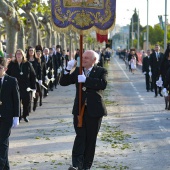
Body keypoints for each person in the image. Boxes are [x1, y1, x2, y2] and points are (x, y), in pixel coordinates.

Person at [60, 50, 108, 170]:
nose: (84, 59)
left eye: (87, 58)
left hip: (94, 111)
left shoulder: (101, 71)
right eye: (83, 57)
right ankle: (76, 164)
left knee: (91, 139)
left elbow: (103, 84)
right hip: (79, 110)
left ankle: (86, 166)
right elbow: (63, 82)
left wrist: (86, 80)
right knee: (80, 136)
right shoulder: (78, 70)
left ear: (94, 60)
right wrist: (67, 69)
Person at [0, 57, 20, 169]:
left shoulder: (12, 81)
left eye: (0, 68)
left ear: (5, 69)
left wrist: (16, 116)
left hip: (7, 116)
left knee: (2, 142)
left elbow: (16, 100)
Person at [6, 49, 36, 122]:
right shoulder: (12, 64)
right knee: (17, 102)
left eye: (20, 54)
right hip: (15, 86)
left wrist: (33, 87)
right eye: (17, 54)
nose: (18, 55)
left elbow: (33, 75)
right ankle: (18, 116)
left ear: (23, 55)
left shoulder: (27, 64)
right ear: (15, 55)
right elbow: (7, 74)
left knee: (26, 102)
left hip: (26, 86)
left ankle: (25, 115)